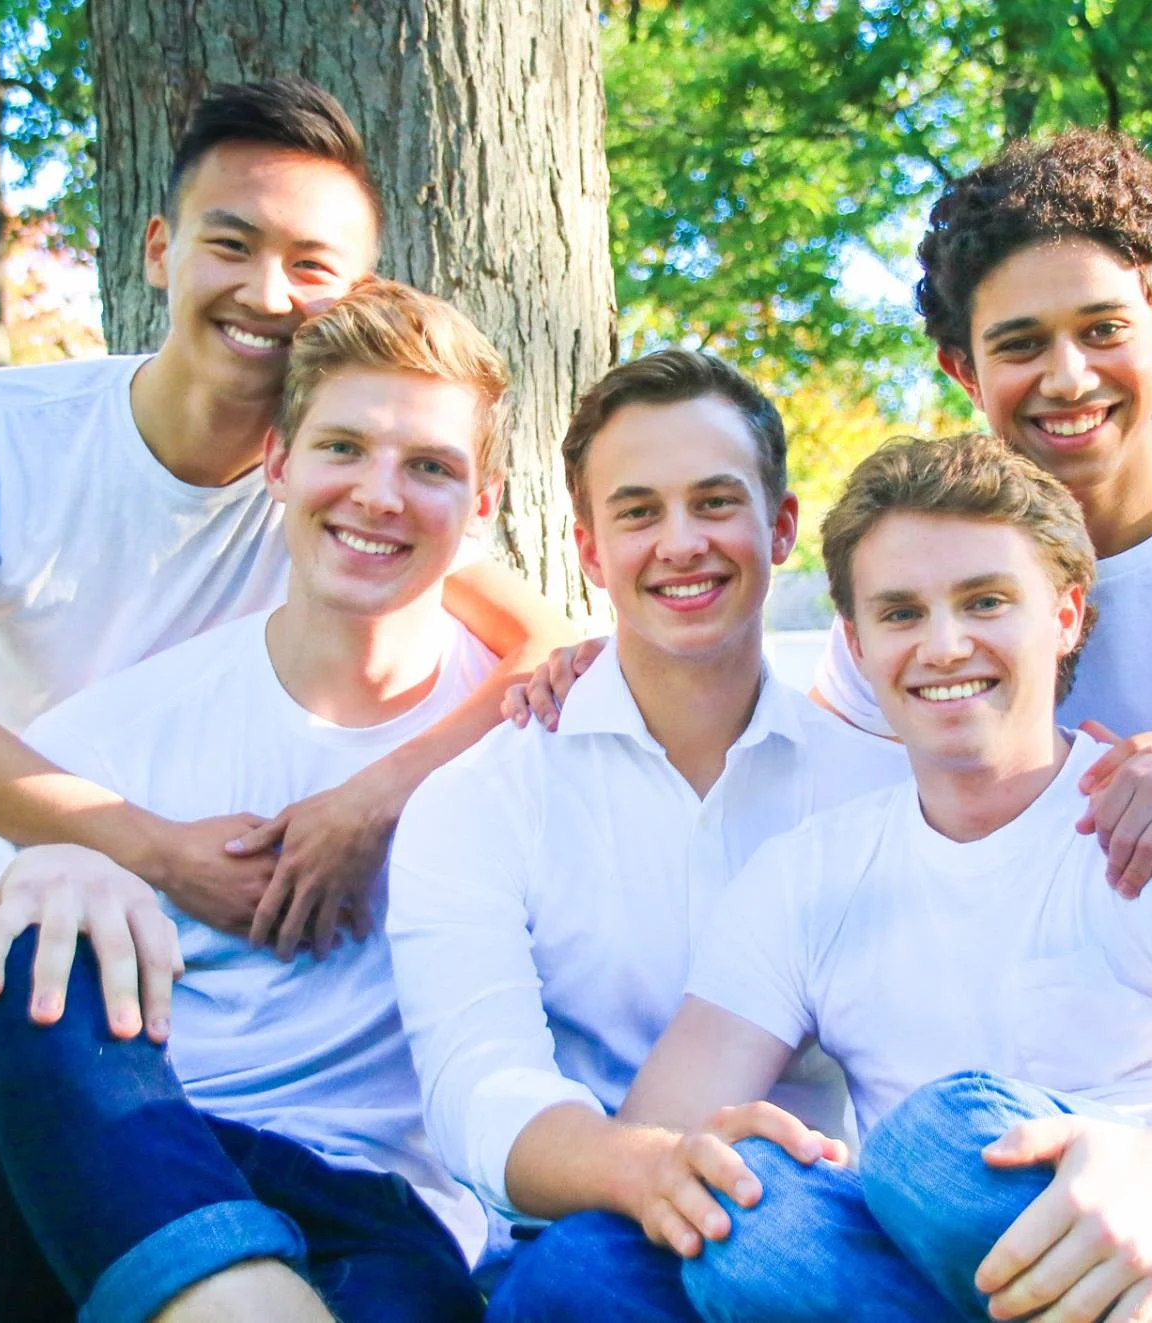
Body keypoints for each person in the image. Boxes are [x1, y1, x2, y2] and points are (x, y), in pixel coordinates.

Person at [509, 129, 1152, 1322]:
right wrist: (587, 652)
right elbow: (764, 667)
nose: (1067, 376)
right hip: (1004, 1152)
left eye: (1101, 329)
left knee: (946, 1148)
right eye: (1019, 344)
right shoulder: (894, 641)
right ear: (960, 366)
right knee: (671, 1249)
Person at [0, 78, 570, 1309]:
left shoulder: (367, 470)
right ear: (161, 248)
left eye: (312, 265)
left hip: (347, 1175)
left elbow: (550, 643)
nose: (269, 292)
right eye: (231, 242)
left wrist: (374, 797)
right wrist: (126, 854)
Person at [623, 432, 1152, 1323]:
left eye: (986, 601)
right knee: (745, 1229)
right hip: (981, 1271)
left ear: (1065, 615)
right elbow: (660, 1130)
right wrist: (701, 1158)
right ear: (858, 643)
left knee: (939, 1144)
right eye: (902, 613)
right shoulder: (810, 875)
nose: (945, 645)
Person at [384, 349, 909, 1320]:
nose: (681, 543)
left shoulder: (882, 791)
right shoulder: (480, 804)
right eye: (637, 512)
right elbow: (476, 1089)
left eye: (715, 503)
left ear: (779, 525)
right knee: (569, 1281)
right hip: (590, 1242)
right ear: (588, 550)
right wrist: (644, 1169)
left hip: (822, 1239)